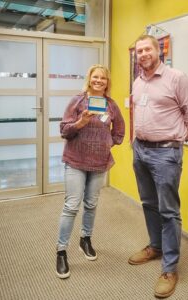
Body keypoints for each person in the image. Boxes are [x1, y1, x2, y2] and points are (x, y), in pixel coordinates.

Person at [128, 35, 188, 298]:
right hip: (141, 149)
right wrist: (136, 142)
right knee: (148, 203)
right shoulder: (138, 81)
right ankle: (155, 246)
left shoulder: (176, 78)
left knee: (169, 211)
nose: (143, 53)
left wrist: (180, 135)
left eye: (147, 49)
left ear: (158, 52)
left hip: (166, 152)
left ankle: (169, 268)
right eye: (139, 50)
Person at [56, 64, 125, 279]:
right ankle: (61, 251)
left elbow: (120, 131)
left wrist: (107, 143)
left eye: (103, 78)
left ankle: (85, 239)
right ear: (89, 79)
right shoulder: (77, 101)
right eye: (95, 77)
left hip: (99, 163)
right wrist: (80, 122)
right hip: (76, 161)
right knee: (71, 206)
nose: (99, 81)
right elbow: (64, 131)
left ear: (107, 82)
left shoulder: (111, 106)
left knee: (92, 204)